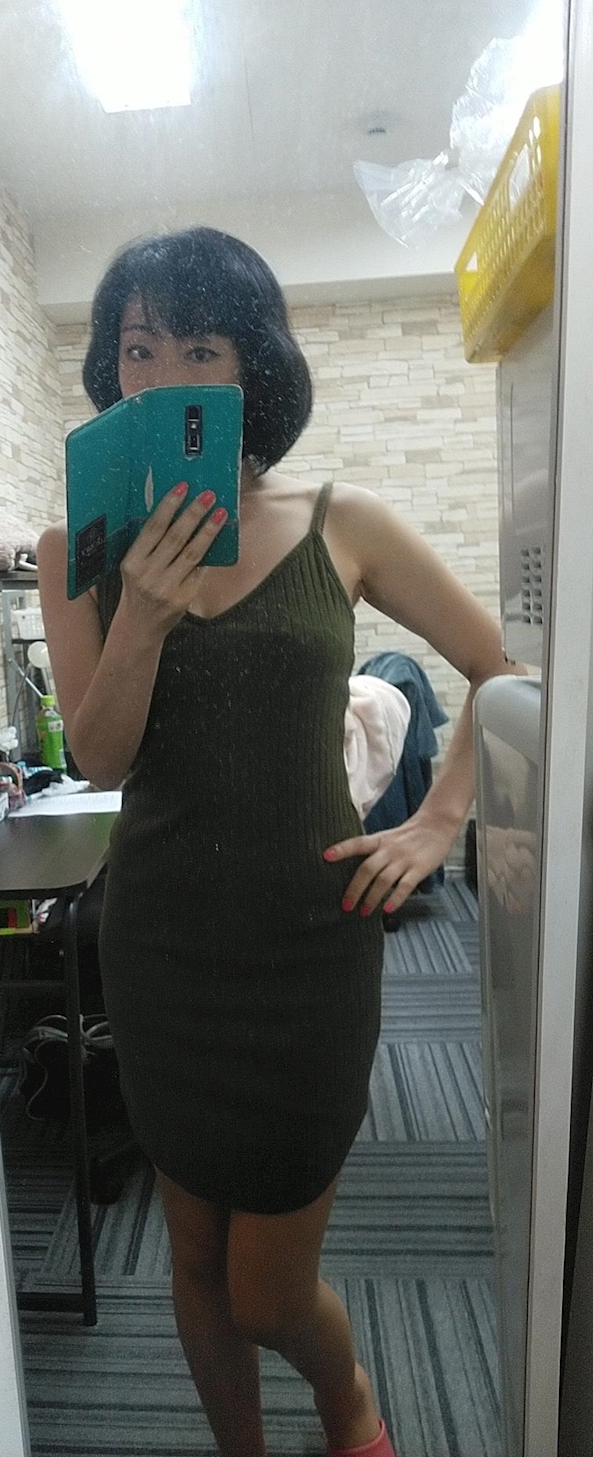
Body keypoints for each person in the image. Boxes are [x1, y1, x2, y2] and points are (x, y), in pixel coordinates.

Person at [37, 227, 517, 1457]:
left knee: (265, 1286)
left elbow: (500, 670)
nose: (162, 377)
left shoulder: (340, 521)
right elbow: (100, 758)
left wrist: (440, 818)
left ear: (252, 366)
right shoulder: (75, 550)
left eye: (200, 348)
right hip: (163, 952)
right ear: (110, 366)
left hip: (309, 949)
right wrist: (141, 614)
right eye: (139, 347)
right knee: (192, 1256)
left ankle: (346, 1399)